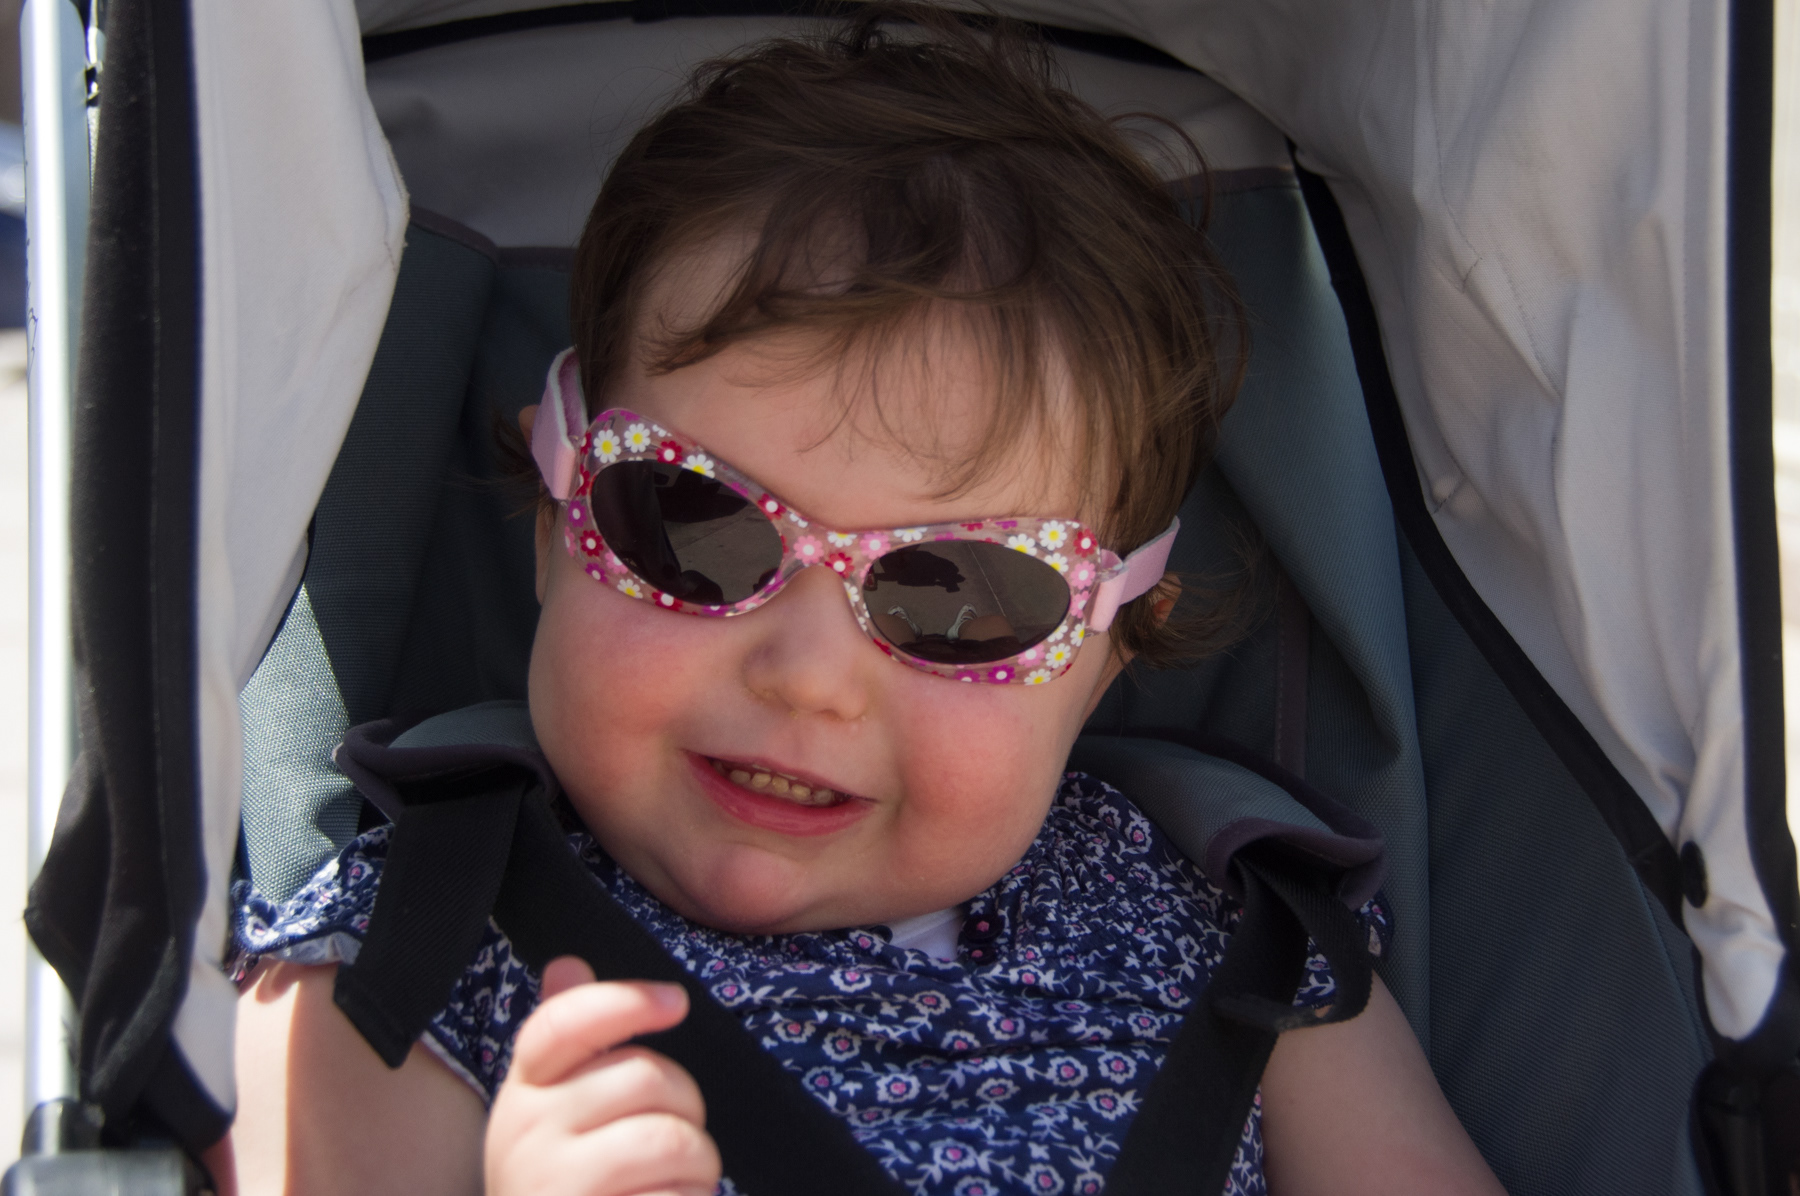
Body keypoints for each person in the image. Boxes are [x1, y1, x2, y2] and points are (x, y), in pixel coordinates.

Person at [218, 8, 1507, 1195]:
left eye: (960, 596)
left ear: (1109, 656)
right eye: (694, 527)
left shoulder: (1242, 946)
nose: (806, 673)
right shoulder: (403, 951)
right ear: (559, 526)